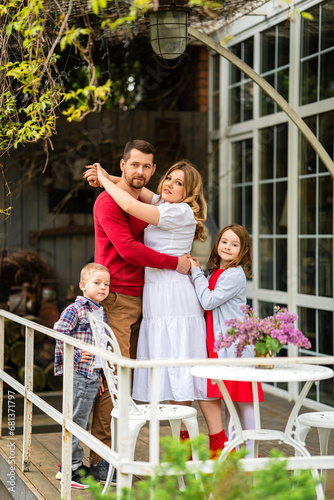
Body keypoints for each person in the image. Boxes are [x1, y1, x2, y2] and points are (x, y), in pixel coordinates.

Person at [96, 160, 228, 458]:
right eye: (168, 177)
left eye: (178, 182)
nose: (168, 184)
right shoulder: (164, 203)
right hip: (157, 295)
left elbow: (129, 204)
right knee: (172, 370)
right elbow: (135, 188)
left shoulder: (179, 211)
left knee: (181, 365)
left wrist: (104, 181)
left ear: (189, 191)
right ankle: (186, 445)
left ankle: (209, 443)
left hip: (175, 296)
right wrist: (107, 176)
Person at [84, 140, 191, 478]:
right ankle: (101, 461)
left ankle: (120, 456)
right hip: (117, 300)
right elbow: (129, 250)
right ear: (123, 165)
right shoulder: (108, 203)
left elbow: (136, 199)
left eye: (147, 167)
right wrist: (176, 263)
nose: (140, 172)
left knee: (125, 380)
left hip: (144, 300)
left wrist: (105, 176)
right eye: (134, 165)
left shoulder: (146, 199)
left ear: (153, 169)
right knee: (115, 379)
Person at [189, 224, 264, 458]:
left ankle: (252, 457)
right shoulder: (216, 272)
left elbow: (208, 301)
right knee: (230, 402)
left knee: (245, 405)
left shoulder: (234, 275)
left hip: (236, 352)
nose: (228, 247)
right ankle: (233, 455)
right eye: (224, 242)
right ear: (217, 243)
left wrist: (195, 272)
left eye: (235, 244)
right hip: (220, 348)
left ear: (243, 251)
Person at [53, 262, 111, 488]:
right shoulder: (75, 309)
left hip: (91, 376)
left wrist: (99, 376)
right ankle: (69, 469)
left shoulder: (99, 311)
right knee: (76, 420)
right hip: (78, 373)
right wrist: (76, 356)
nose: (103, 288)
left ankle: (76, 465)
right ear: (83, 285)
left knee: (81, 420)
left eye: (106, 284)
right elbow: (59, 333)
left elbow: (100, 345)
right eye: (97, 283)